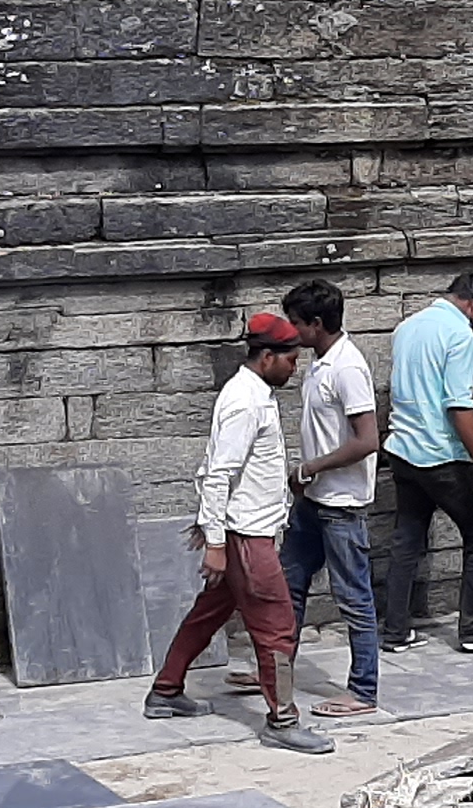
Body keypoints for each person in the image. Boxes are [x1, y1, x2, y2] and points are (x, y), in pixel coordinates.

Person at [142, 312, 332, 753]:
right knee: (277, 626)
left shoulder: (253, 393)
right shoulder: (245, 402)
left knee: (209, 613)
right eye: (290, 359)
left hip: (243, 529)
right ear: (267, 357)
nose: (295, 367)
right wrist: (214, 543)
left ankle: (167, 690)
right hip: (246, 536)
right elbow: (217, 474)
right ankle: (282, 720)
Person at [385, 270, 473, 653]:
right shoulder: (459, 334)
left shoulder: (407, 328)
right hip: (441, 455)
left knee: (407, 540)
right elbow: (459, 405)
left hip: (404, 450)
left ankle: (396, 630)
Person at [273, 276, 382, 716]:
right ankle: (278, 669)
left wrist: (311, 467)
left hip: (342, 504)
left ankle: (364, 689)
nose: (290, 332)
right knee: (288, 584)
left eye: (295, 323)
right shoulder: (319, 363)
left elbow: (368, 439)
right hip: (314, 499)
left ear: (316, 324)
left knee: (353, 597)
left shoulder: (347, 368)